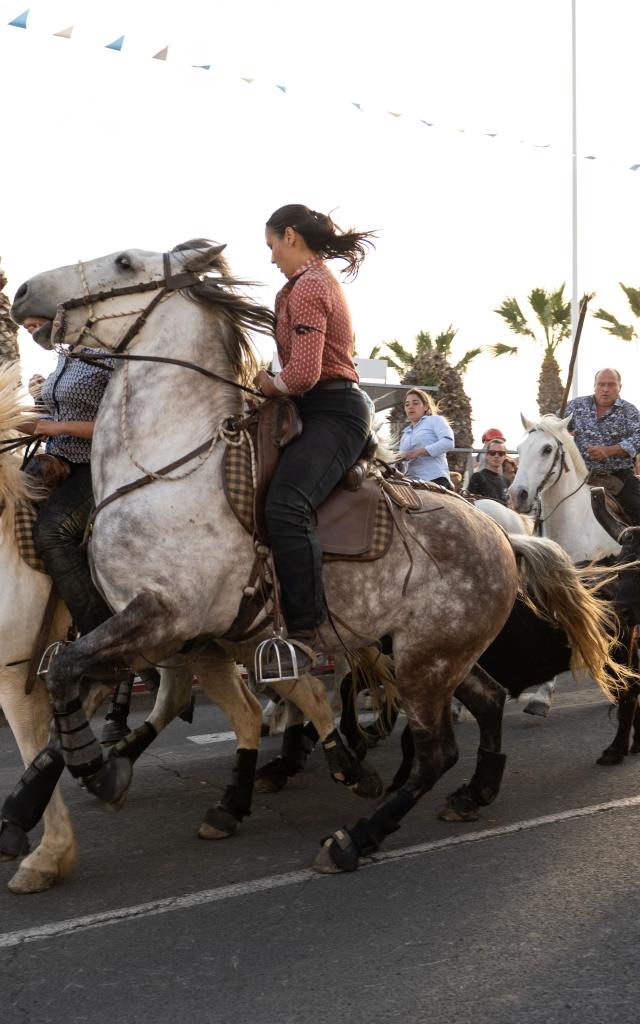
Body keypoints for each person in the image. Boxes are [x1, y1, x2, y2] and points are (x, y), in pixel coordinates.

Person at [253, 204, 376, 679]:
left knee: (286, 506)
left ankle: (304, 636)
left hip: (333, 411)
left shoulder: (309, 287)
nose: (270, 259)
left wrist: (268, 384)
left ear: (290, 236)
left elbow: (302, 374)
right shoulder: (305, 284)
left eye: (270, 247)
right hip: (315, 409)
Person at [564, 367, 640, 524]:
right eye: (601, 384)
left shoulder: (629, 411)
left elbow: (638, 437)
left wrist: (610, 451)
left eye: (611, 385)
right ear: (595, 386)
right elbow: (553, 422)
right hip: (579, 474)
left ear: (620, 387)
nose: (605, 389)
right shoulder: (576, 406)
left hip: (617, 475)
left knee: (636, 507)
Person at [397, 388, 454, 487]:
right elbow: (404, 465)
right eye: (407, 404)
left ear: (426, 406)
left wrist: (415, 453)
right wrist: (399, 462)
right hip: (411, 483)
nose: (410, 407)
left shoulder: (435, 420)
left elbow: (448, 442)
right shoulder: (405, 434)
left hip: (435, 479)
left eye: (415, 403)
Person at [468, 438, 509, 504]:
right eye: (492, 453)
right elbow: (471, 504)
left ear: (504, 456)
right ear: (487, 455)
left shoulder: (506, 481)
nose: (496, 456)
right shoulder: (477, 477)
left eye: (501, 453)